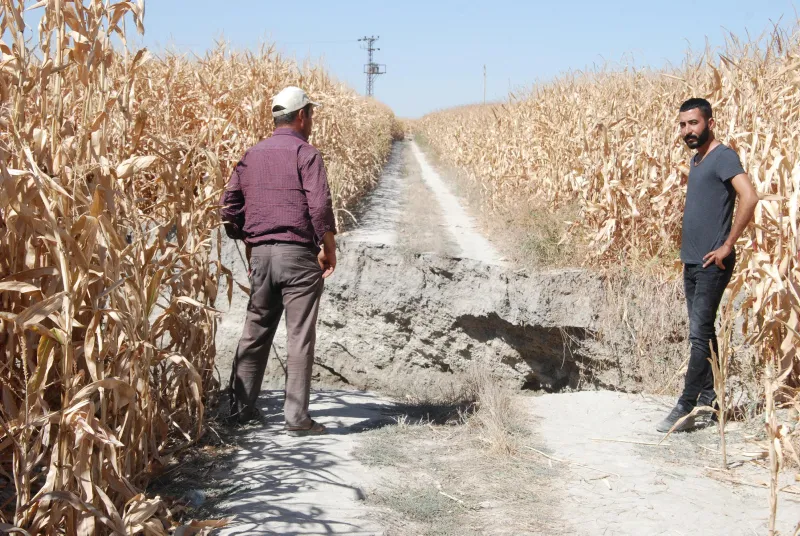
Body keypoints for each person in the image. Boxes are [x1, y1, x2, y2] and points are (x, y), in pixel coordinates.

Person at [220, 86, 337, 435]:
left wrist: (248, 239)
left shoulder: (251, 155)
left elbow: (228, 206)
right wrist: (328, 248)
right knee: (299, 335)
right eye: (311, 114)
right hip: (299, 256)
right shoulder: (306, 154)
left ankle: (239, 412)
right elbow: (319, 207)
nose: (311, 121)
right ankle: (297, 420)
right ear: (302, 116)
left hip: (261, 258)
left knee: (254, 332)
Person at [656, 98, 758, 433]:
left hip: (713, 263)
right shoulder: (697, 160)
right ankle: (711, 399)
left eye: (693, 123)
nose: (687, 130)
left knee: (699, 335)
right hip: (692, 262)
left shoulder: (722, 156)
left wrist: (727, 245)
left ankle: (685, 405)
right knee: (704, 332)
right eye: (683, 125)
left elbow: (750, 196)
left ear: (709, 123)